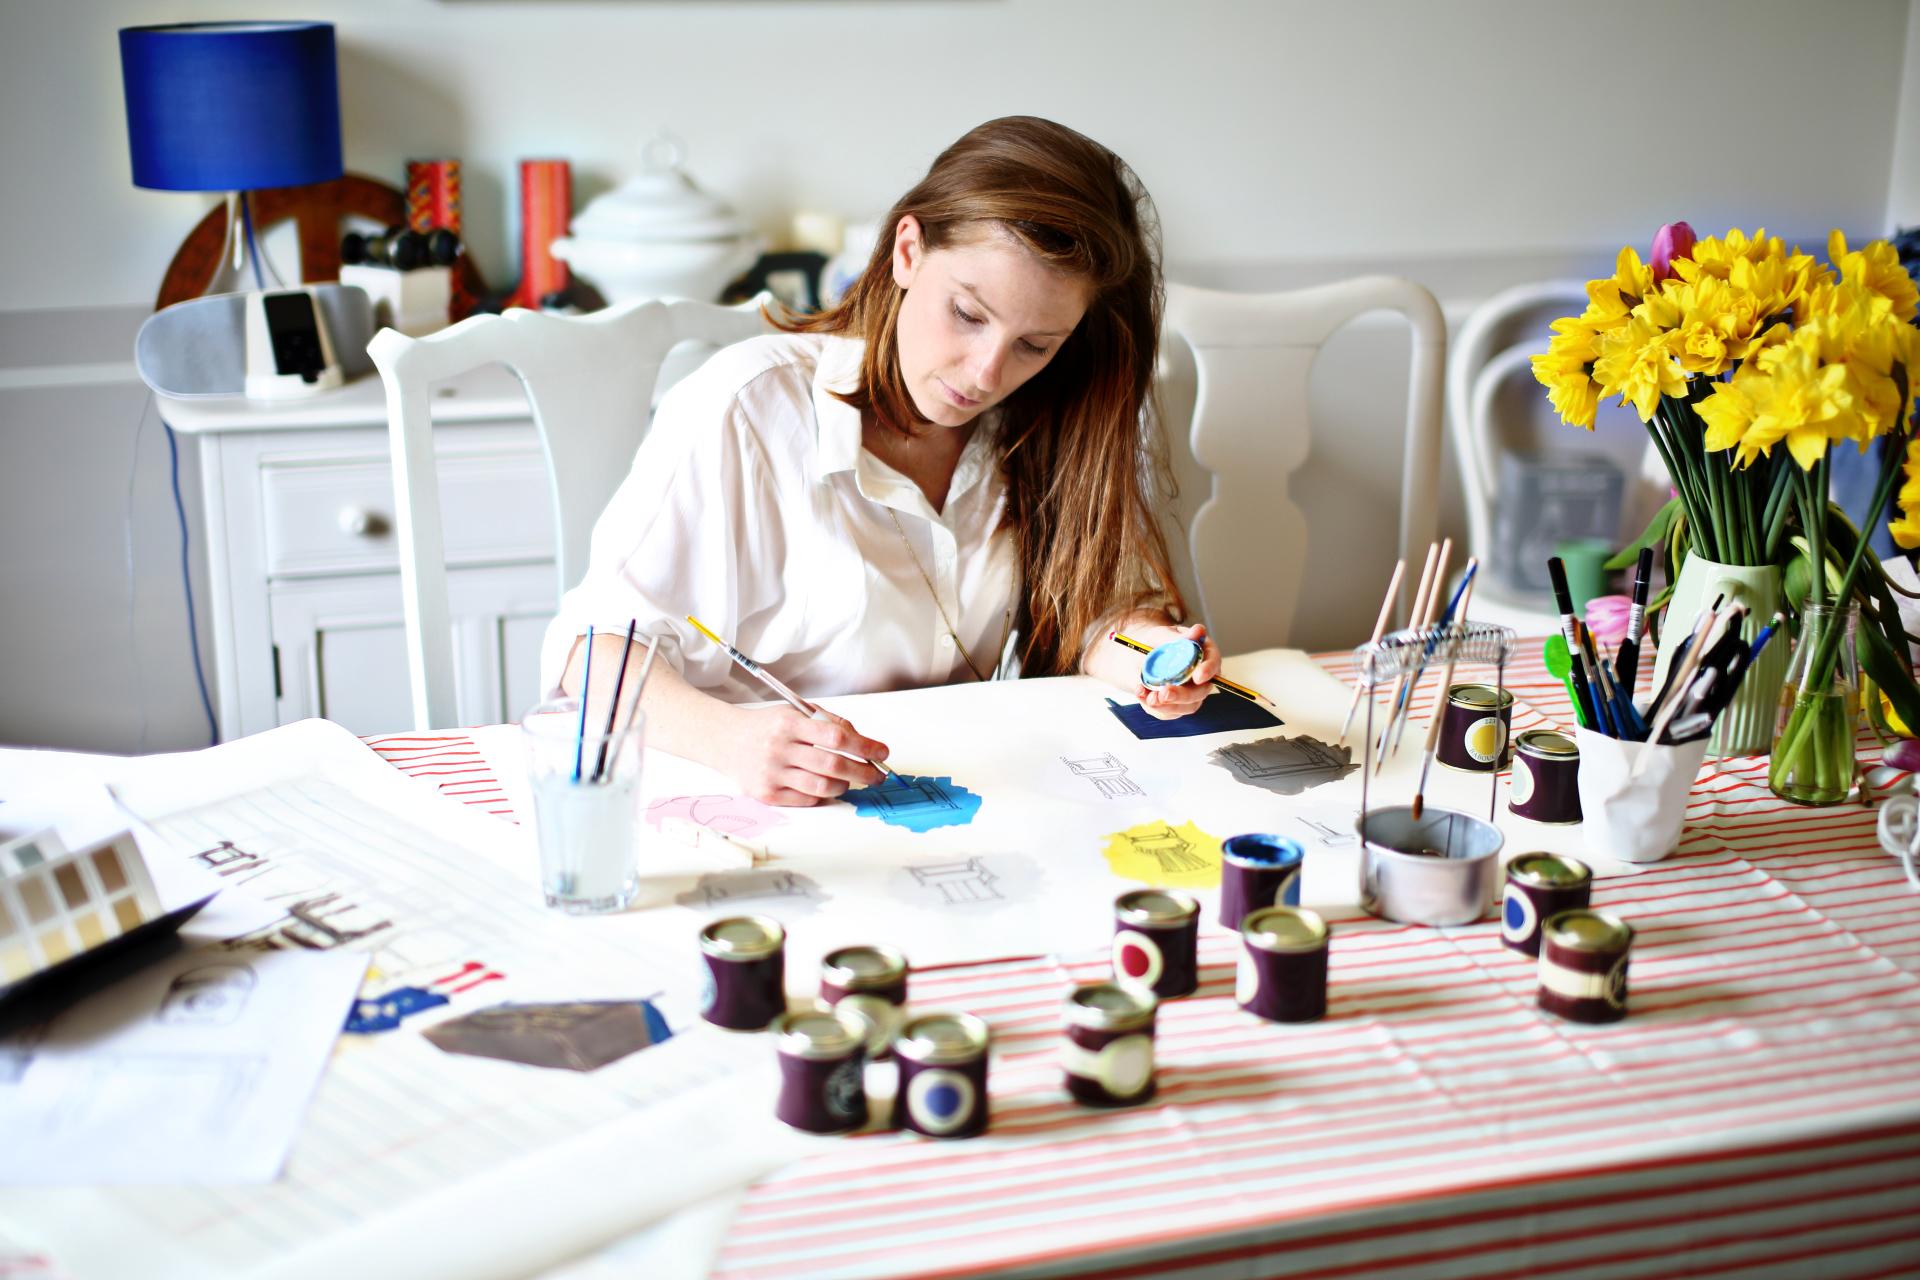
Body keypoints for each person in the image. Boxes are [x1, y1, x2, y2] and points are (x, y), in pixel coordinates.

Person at [541, 115, 1219, 806]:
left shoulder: (1046, 421)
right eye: (967, 313)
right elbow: (592, 651)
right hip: (748, 806)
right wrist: (735, 742)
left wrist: (1154, 661)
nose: (986, 374)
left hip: (949, 795)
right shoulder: (746, 406)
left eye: (1035, 345)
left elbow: (1101, 613)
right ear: (907, 251)